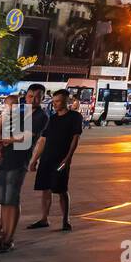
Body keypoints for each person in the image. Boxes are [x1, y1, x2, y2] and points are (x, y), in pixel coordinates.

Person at [0, 84, 48, 254]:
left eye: (38, 96)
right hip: (4, 159)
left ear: (43, 98)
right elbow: (2, 123)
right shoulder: (20, 111)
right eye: (30, 96)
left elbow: (26, 137)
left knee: (12, 200)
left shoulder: (41, 116)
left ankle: (9, 239)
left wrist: (5, 139)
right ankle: (3, 235)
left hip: (18, 161)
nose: (33, 99)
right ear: (25, 96)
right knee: (2, 201)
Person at [28, 89, 83, 231]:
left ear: (66, 101)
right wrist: (35, 160)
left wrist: (68, 158)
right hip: (46, 159)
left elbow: (75, 138)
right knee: (45, 188)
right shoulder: (51, 118)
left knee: (61, 189)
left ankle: (66, 220)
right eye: (54, 101)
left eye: (58, 101)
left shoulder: (74, 117)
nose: (55, 104)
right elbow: (43, 140)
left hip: (61, 161)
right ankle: (44, 218)